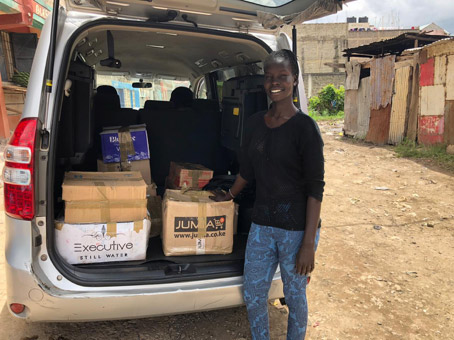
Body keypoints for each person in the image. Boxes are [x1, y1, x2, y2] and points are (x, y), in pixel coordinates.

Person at [211, 49, 325, 340]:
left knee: (295, 295)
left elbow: (315, 188)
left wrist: (309, 244)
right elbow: (248, 170)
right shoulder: (253, 124)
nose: (275, 83)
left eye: (282, 76)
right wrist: (231, 195)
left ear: (294, 79)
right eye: (269, 77)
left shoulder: (306, 129)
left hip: (296, 230)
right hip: (262, 225)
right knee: (253, 293)